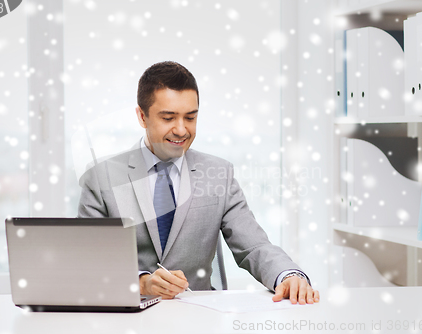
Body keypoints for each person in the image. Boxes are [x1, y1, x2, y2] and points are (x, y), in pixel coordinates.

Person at [78, 61, 319, 305]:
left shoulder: (218, 174)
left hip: (200, 315)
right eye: (168, 117)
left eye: (190, 117)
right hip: (128, 316)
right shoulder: (100, 179)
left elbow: (254, 246)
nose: (181, 130)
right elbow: (88, 262)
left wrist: (288, 275)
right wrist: (141, 282)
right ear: (142, 116)